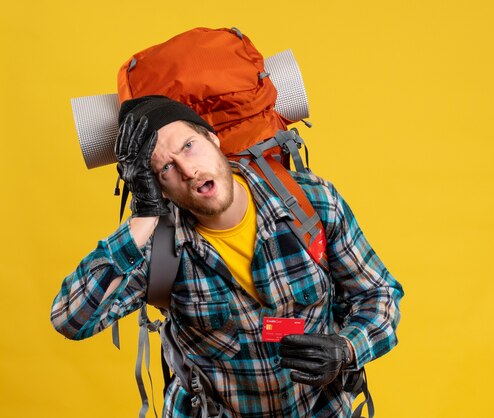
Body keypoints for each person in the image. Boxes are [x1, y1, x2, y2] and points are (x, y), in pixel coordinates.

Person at [51, 95, 404, 417]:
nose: (189, 171)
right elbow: (72, 318)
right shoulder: (157, 248)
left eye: (189, 147)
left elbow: (378, 294)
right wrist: (144, 215)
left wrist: (347, 348)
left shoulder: (309, 203)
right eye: (165, 169)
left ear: (212, 138)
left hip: (320, 410)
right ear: (156, 187)